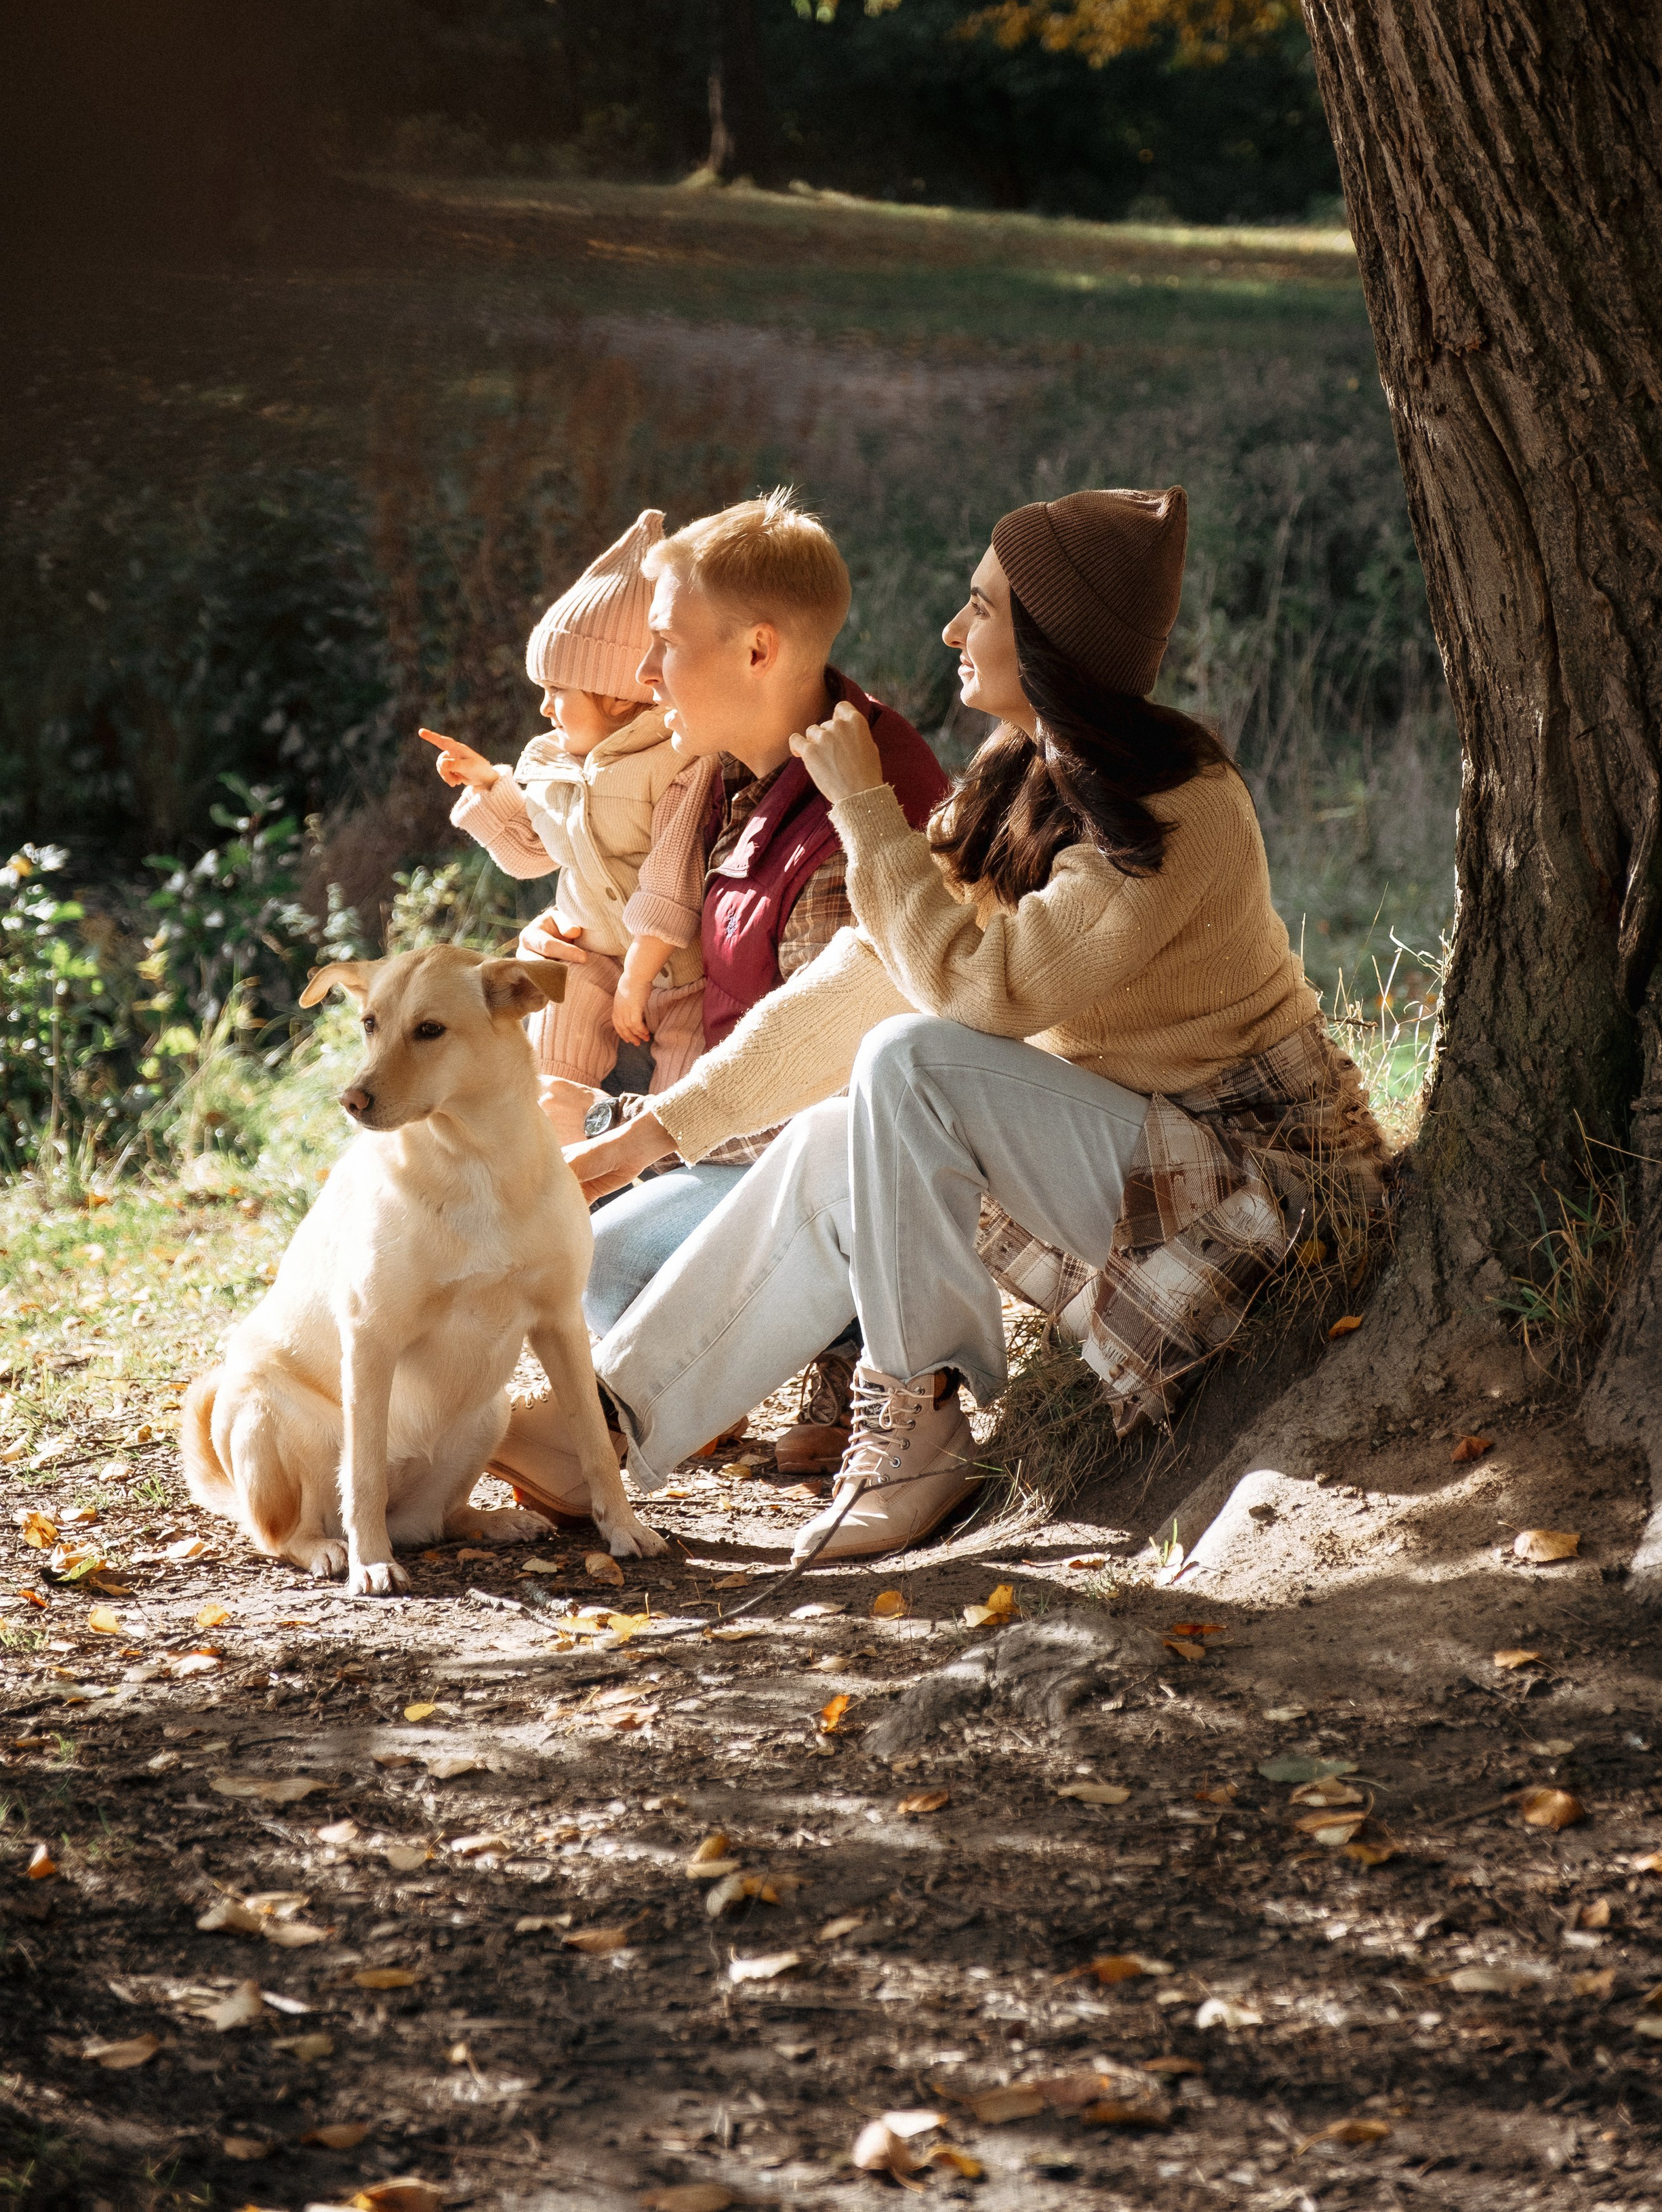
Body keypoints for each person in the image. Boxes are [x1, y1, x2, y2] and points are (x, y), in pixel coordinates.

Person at [569, 485, 1392, 1561]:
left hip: (1252, 1194)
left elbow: (979, 997)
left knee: (910, 1063)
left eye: (982, 610)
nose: (954, 631)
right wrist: (658, 1131)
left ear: (1052, 639)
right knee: (837, 1131)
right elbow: (870, 975)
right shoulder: (1021, 775)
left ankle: (922, 1430)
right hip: (1136, 1161)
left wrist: (868, 812)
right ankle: (604, 1427)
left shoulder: (1181, 808)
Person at [487, 489, 951, 1511]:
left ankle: (840, 1347)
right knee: (558, 1224)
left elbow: (825, 1076)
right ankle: (734, 1364)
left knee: (586, 1251)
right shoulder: (725, 776)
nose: (644, 677)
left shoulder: (855, 811)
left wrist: (625, 1142)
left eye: (664, 646)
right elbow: (656, 945)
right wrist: (562, 955)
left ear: (757, 651)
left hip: (819, 1160)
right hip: (718, 1121)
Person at [419, 510, 714, 1139]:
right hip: (583, 956)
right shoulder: (552, 761)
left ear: (614, 692)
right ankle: (543, 1163)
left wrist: (638, 977)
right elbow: (532, 854)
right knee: (544, 1068)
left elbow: (673, 878)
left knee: (684, 1090)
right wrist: (490, 787)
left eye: (558, 690)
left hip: (677, 968)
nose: (544, 707)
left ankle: (652, 1181)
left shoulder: (678, 760)